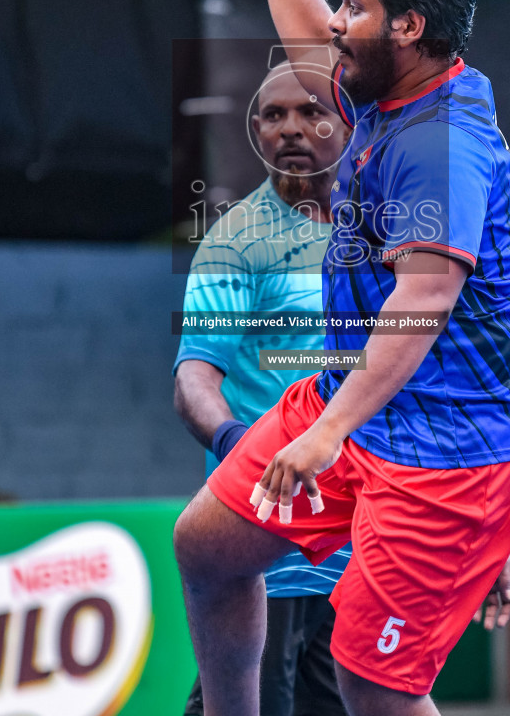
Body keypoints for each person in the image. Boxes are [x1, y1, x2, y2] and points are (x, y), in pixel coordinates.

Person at [172, 0, 510, 716]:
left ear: (408, 25)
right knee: (208, 548)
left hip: (451, 451)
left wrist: (325, 431)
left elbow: (420, 304)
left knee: (370, 685)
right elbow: (302, 26)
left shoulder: (442, 144)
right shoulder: (394, 81)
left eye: (356, 6)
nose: (336, 23)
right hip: (364, 405)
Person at [174, 62, 353, 716]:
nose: (291, 129)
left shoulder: (382, 238)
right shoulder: (237, 240)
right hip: (266, 563)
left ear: (350, 122)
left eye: (311, 112)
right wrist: (244, 453)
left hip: (358, 562)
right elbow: (194, 380)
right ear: (254, 131)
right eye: (273, 116)